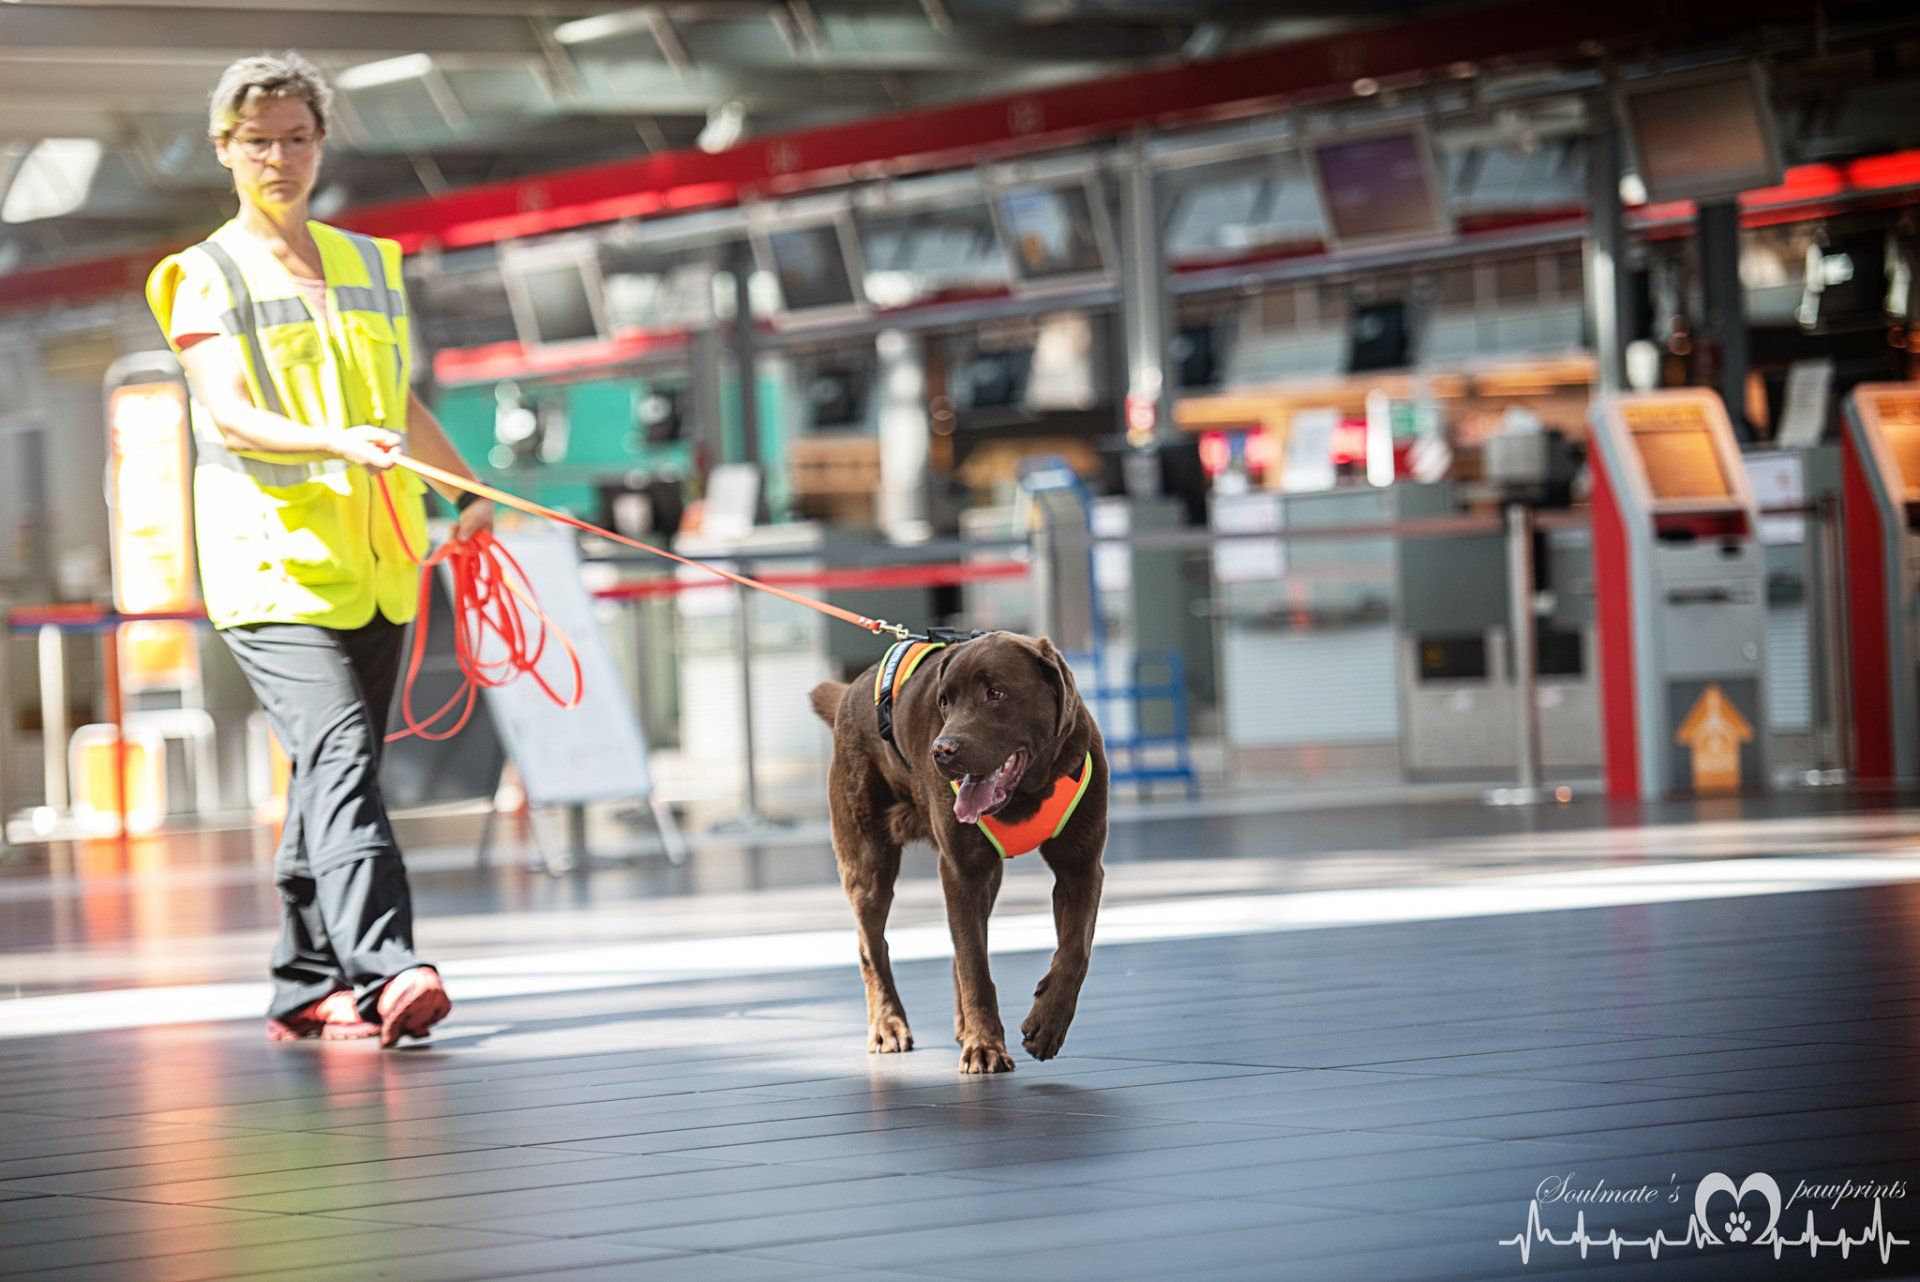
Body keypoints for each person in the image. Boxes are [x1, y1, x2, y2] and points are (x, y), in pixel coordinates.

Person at [146, 52, 492, 1047]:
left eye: (298, 137)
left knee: (326, 770)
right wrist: (338, 442)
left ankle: (302, 984)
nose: (279, 157)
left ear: (321, 143)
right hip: (271, 567)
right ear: (224, 148)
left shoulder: (369, 263)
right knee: (340, 753)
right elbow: (231, 412)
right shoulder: (201, 275)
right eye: (257, 140)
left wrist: (461, 487)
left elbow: (400, 402)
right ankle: (390, 969)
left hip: (378, 563)